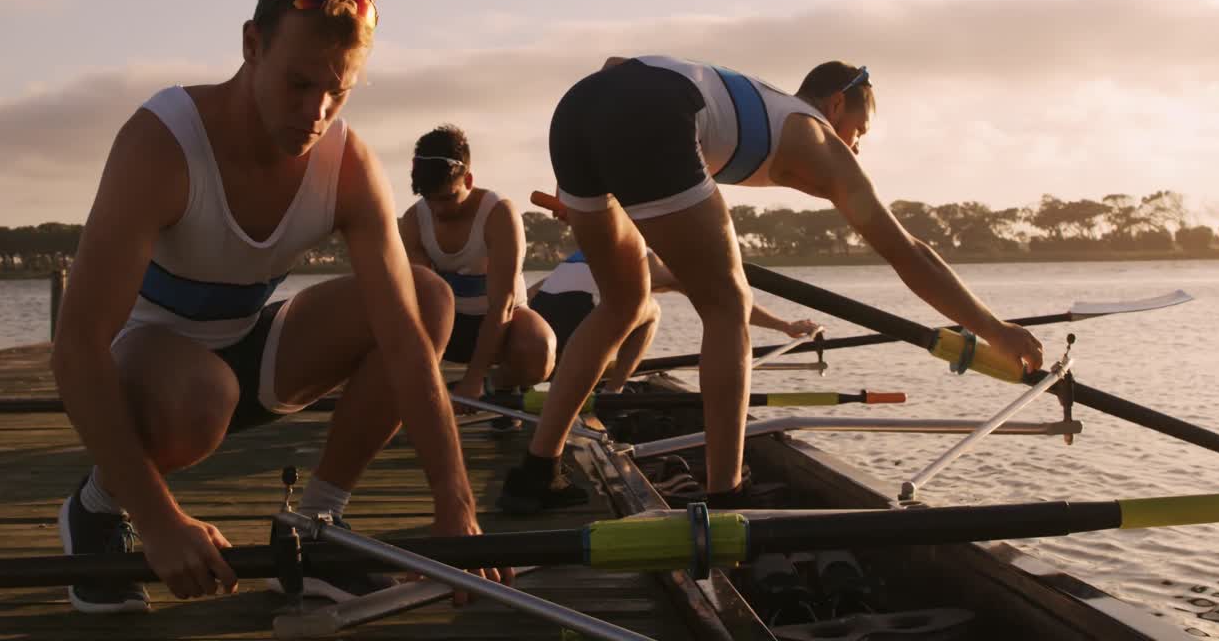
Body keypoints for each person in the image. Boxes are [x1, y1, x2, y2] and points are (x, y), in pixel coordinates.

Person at [51, 0, 503, 612]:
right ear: (252, 45)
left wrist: (456, 506)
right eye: (299, 84)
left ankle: (318, 525)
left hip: (250, 350)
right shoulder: (162, 143)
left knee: (427, 301)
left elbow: (405, 342)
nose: (317, 112)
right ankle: (96, 509)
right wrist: (158, 520)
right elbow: (77, 345)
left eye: (337, 91)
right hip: (151, 365)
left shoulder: (348, 167)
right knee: (204, 398)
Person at [499, 56, 1044, 514]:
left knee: (624, 301)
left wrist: (581, 192)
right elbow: (908, 253)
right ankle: (727, 493)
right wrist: (993, 328)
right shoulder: (818, 139)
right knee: (729, 304)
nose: (858, 148)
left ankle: (536, 471)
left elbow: (616, 70)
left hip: (577, 111)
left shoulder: (761, 102)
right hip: (652, 114)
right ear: (835, 107)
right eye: (861, 131)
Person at [399, 125, 556, 414]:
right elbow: (420, 304)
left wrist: (472, 381)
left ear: (468, 179)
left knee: (539, 352)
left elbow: (503, 305)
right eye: (428, 198)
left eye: (447, 198)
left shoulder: (499, 214)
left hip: (502, 323)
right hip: (448, 324)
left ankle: (498, 384)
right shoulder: (413, 221)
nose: (438, 210)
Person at [528, 246, 819, 393]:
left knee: (622, 307)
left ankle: (515, 385)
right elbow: (724, 301)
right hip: (571, 345)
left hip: (539, 353)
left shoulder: (577, 257)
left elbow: (527, 296)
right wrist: (785, 326)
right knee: (651, 309)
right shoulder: (644, 258)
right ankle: (614, 391)